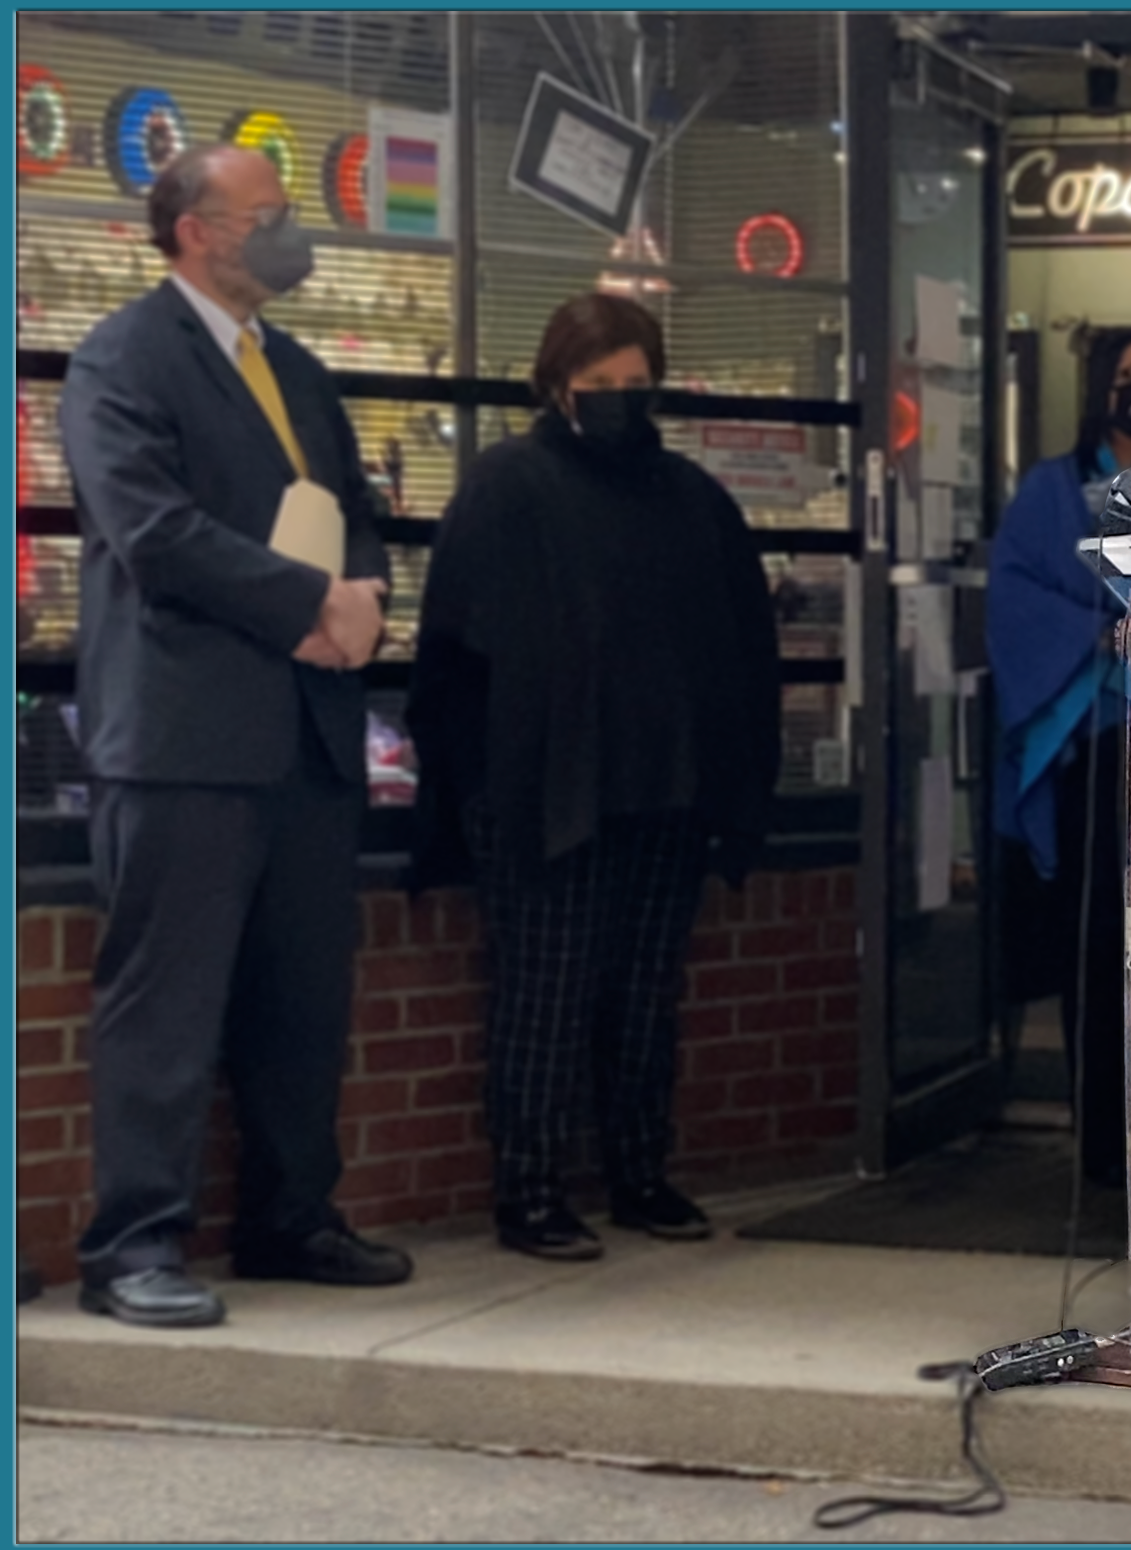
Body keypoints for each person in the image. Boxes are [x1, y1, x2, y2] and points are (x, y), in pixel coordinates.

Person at [58, 144, 410, 1327]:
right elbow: (154, 531)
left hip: (307, 732)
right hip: (182, 735)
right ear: (197, 230)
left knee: (302, 998)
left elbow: (356, 512)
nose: (292, 232)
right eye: (270, 214)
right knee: (165, 1004)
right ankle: (134, 1245)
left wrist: (361, 599)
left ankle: (290, 1216)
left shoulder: (300, 369)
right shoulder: (123, 357)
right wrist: (306, 604)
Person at [406, 294, 782, 1262]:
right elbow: (449, 653)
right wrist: (471, 786)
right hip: (543, 793)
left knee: (645, 993)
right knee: (545, 992)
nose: (619, 400)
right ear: (555, 383)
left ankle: (638, 1170)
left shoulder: (691, 496)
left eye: (633, 384)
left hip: (666, 789)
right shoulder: (505, 486)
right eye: (599, 384)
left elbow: (741, 642)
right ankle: (526, 1190)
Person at [990, 327, 1131, 1187]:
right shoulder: (1049, 488)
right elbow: (1013, 593)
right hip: (1093, 745)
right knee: (1102, 947)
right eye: (1130, 377)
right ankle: (1104, 1151)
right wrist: (1098, 633)